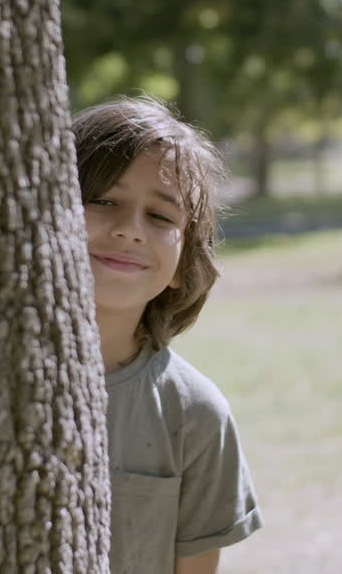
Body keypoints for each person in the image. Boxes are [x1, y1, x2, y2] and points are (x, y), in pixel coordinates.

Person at [72, 96, 263, 574]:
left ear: (183, 263)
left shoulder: (195, 415)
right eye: (102, 200)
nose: (130, 229)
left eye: (160, 217)